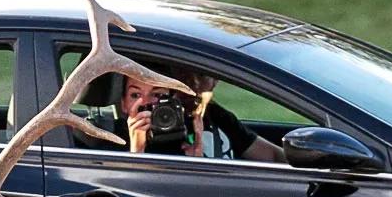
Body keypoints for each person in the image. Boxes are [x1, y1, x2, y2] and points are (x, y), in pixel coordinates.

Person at [117, 68, 286, 163]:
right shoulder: (114, 139)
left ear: (174, 97)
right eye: (135, 95)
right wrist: (137, 150)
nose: (146, 103)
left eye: (158, 94)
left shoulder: (208, 115)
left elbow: (272, 156)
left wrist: (309, 162)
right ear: (123, 104)